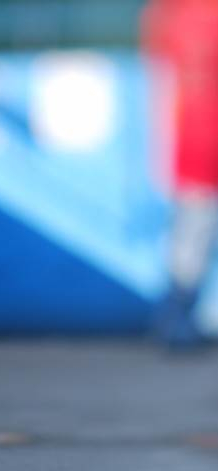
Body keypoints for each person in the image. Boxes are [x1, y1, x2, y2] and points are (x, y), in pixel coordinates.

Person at [142, 0, 218, 350]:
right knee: (191, 233)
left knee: (189, 234)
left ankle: (178, 318)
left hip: (191, 148)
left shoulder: (168, 12)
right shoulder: (175, 13)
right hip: (195, 149)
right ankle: (177, 318)